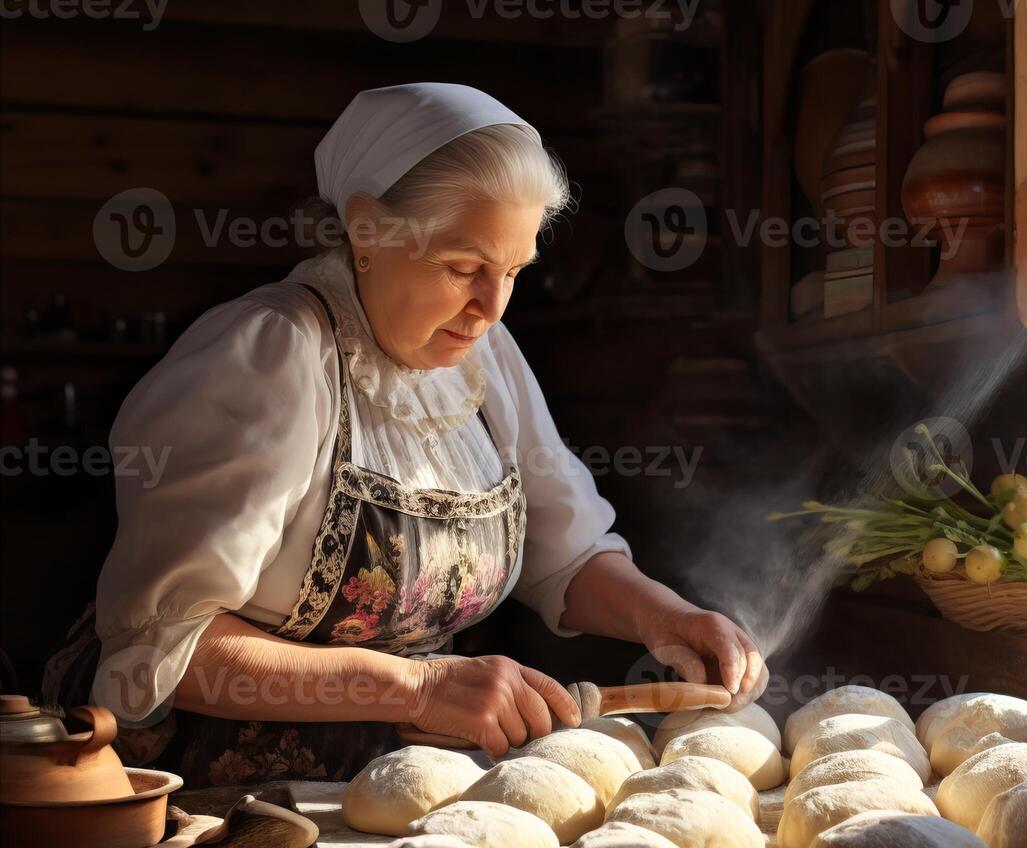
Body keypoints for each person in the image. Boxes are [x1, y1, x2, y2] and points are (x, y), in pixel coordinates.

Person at [43, 83, 762, 786]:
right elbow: (166, 650)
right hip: (217, 792)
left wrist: (669, 618)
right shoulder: (271, 357)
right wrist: (417, 690)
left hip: (400, 779)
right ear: (366, 230)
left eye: (513, 270)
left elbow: (563, 556)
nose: (490, 305)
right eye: (464, 268)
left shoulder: (485, 358)